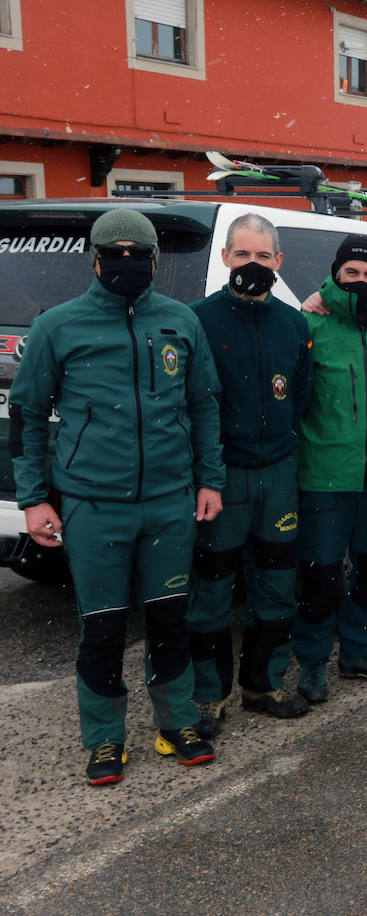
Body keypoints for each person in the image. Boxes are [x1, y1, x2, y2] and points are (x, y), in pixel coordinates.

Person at [9, 208, 225, 785]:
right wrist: (34, 498)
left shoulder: (180, 320)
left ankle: (177, 722)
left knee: (170, 619)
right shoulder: (59, 325)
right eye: (114, 252)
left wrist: (210, 480)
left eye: (138, 253)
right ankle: (104, 739)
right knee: (102, 627)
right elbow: (28, 415)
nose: (126, 262)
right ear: (96, 259)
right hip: (92, 505)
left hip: (170, 501)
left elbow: (204, 406)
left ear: (155, 260)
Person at [186, 213, 313, 737]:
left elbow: (300, 398)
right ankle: (208, 697)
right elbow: (191, 404)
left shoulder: (295, 324)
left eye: (264, 257)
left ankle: (262, 684)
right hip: (222, 478)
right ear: (225, 259)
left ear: (278, 262)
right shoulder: (198, 321)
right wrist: (206, 474)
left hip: (278, 473)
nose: (253, 266)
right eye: (243, 255)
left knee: (279, 585)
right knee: (213, 588)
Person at [291, 235, 367, 703]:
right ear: (336, 275)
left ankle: (358, 652)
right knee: (321, 576)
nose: (361, 281)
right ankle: (313, 662)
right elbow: (297, 401)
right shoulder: (310, 325)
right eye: (352, 273)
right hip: (324, 474)